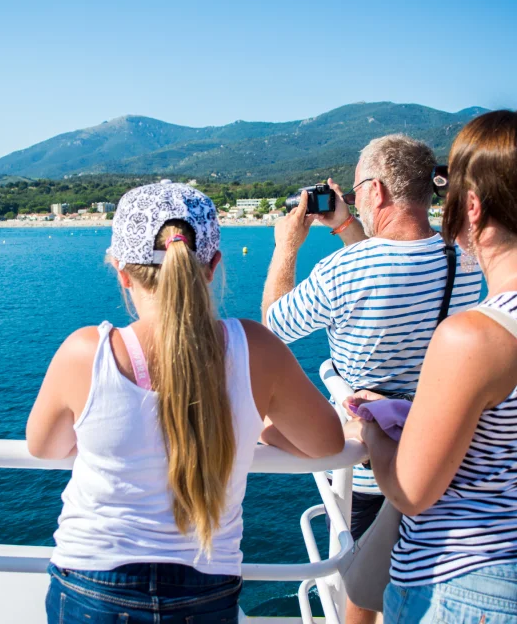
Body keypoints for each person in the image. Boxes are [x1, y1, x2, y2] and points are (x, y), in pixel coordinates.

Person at [26, 180, 344, 624]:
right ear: (212, 265)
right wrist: (257, 430)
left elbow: (44, 447)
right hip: (205, 588)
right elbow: (326, 442)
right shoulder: (256, 348)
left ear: (121, 271)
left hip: (91, 584)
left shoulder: (86, 353)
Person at [261, 135, 482, 624]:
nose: (356, 198)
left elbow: (275, 324)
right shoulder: (462, 256)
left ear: (377, 191)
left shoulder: (344, 269)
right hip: (443, 450)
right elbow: (388, 268)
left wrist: (285, 247)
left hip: (372, 465)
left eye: (360, 189)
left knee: (362, 591)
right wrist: (347, 225)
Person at [344, 110, 517, 623]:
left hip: (466, 585)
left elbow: (412, 492)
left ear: (471, 205)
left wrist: (372, 428)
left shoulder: (474, 337)